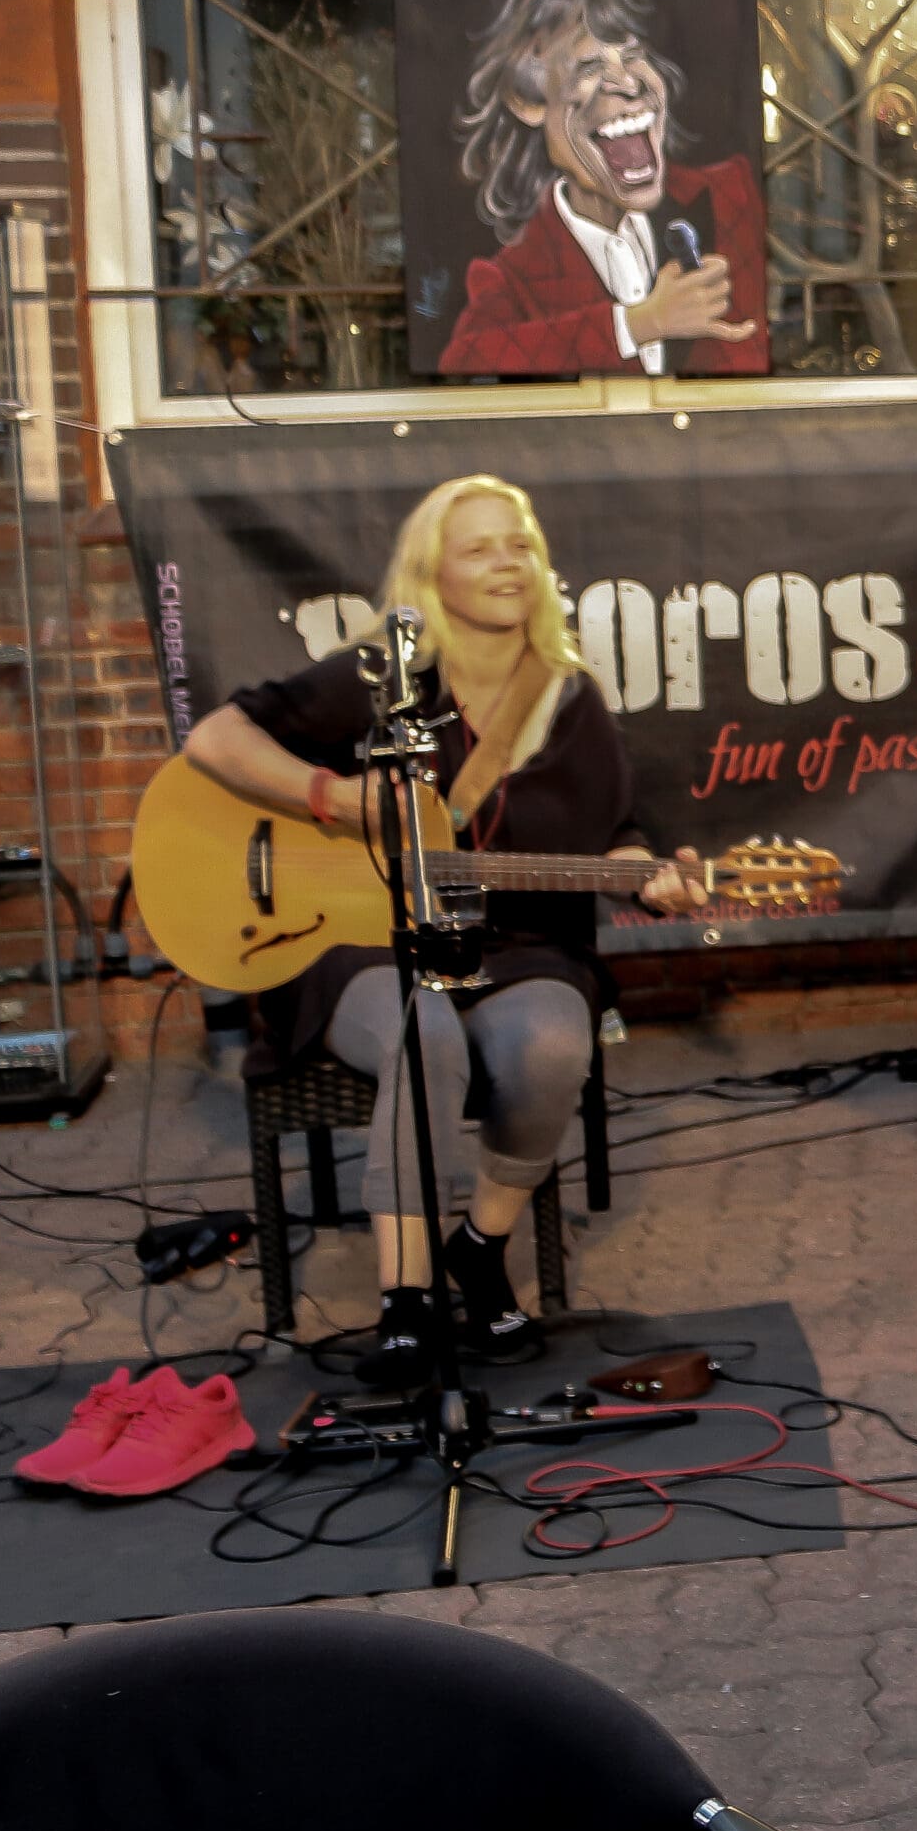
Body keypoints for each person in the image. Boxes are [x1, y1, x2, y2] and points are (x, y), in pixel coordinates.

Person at [183, 476, 709, 1383]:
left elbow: (618, 830)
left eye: (520, 545)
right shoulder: (380, 679)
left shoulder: (568, 696)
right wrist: (336, 798)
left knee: (551, 1041)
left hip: (520, 946)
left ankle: (480, 1246)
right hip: (359, 945)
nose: (507, 563)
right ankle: (408, 1301)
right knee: (424, 1032)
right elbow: (214, 742)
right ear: (434, 574)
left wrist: (651, 878)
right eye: (480, 549)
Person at [436, 0, 768, 378]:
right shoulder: (513, 276)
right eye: (590, 65)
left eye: (632, 56)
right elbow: (464, 358)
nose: (628, 83)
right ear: (529, 101)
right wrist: (637, 324)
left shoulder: (728, 197)